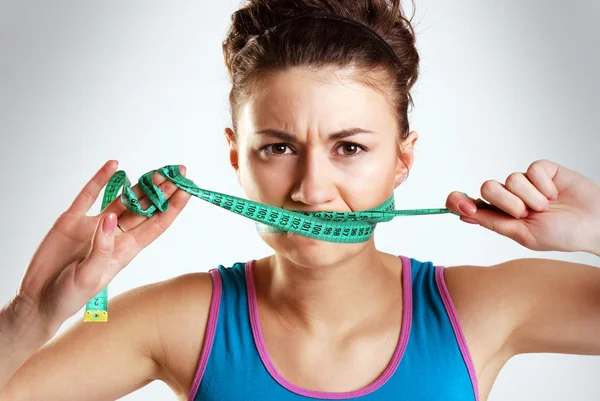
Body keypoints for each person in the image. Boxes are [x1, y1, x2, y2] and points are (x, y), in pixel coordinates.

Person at [1, 1, 600, 400]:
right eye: (279, 148)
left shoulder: (484, 309)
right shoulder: (173, 321)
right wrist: (31, 314)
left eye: (350, 148)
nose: (312, 190)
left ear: (403, 159)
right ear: (236, 157)